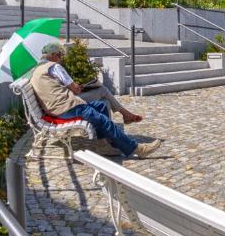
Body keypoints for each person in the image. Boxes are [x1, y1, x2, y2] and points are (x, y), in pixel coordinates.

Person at [29, 42, 161, 158]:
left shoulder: (37, 70)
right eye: (59, 55)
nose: (61, 59)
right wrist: (81, 87)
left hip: (57, 107)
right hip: (66, 107)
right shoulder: (54, 67)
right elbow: (74, 89)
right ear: (52, 55)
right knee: (103, 120)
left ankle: (103, 146)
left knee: (101, 106)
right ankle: (138, 149)